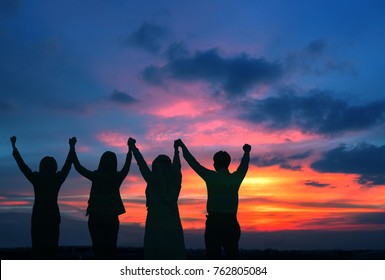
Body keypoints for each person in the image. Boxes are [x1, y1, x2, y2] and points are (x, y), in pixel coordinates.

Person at [175, 139, 251, 259]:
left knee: (212, 257)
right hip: (231, 223)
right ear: (228, 163)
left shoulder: (211, 177)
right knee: (232, 256)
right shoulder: (235, 178)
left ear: (215, 164)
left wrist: (182, 146)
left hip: (214, 223)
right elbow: (244, 166)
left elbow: (193, 163)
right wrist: (246, 152)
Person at [10, 136, 75, 259]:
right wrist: (72, 148)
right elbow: (67, 166)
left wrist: (14, 148)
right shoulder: (56, 179)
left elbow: (23, 167)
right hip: (52, 215)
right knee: (51, 247)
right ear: (54, 167)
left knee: (38, 247)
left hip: (38, 215)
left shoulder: (37, 178)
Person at [71, 137, 132, 259]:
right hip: (111, 218)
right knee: (110, 249)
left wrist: (72, 148)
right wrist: (130, 150)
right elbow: (127, 167)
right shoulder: (116, 177)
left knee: (98, 249)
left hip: (96, 217)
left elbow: (78, 167)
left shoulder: (96, 176)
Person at [128, 138, 185, 259]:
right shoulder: (175, 181)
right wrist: (176, 151)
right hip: (172, 220)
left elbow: (141, 163)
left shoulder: (152, 180)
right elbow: (177, 166)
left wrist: (133, 148)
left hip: (155, 221)